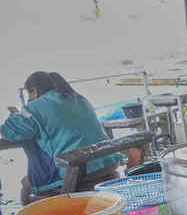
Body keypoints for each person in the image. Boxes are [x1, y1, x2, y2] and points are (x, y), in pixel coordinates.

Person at [2, 72, 121, 204]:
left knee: (27, 184)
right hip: (107, 162)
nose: (29, 98)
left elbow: (9, 132)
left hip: (77, 170)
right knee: (29, 181)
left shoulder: (34, 107)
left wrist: (14, 116)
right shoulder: (79, 98)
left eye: (29, 94)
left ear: (34, 90)